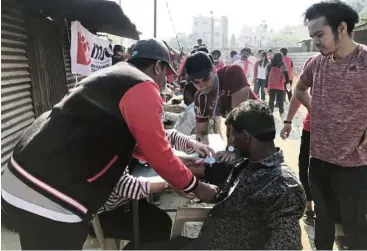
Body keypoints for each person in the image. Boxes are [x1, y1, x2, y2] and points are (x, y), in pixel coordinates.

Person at [1, 38, 218, 250]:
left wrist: (184, 157)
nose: (165, 83)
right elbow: (157, 151)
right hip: (50, 196)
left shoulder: (112, 78)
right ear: (158, 67)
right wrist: (194, 186)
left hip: (19, 181)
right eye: (166, 74)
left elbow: (146, 140)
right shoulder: (141, 86)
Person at [125, 100, 306, 250]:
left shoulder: (284, 185)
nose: (231, 143)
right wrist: (207, 192)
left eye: (232, 136)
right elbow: (228, 197)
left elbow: (286, 245)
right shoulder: (246, 164)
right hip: (205, 243)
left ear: (246, 137)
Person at [295, 1, 367, 249]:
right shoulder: (317, 63)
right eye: (312, 36)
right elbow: (300, 88)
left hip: (354, 164)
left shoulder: (365, 60)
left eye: (320, 34)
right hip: (319, 159)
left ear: (342, 28)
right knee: (323, 223)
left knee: (354, 226)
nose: (316, 41)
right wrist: (317, 109)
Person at [89, 129, 211, 243]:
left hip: (125, 202)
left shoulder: (126, 124)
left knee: (162, 222)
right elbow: (125, 186)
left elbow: (158, 136)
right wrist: (171, 182)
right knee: (158, 229)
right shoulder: (105, 141)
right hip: (104, 215)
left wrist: (192, 143)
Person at [185, 51, 257, 162]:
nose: (202, 86)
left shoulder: (232, 73)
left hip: (256, 124)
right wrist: (203, 149)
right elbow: (201, 132)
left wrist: (231, 148)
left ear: (214, 70)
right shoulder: (200, 98)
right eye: (196, 82)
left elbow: (238, 118)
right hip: (238, 130)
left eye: (205, 79)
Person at [281, 56, 315, 226]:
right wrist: (288, 121)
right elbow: (300, 92)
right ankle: (309, 206)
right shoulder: (314, 62)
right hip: (312, 128)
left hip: (345, 132)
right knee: (306, 167)